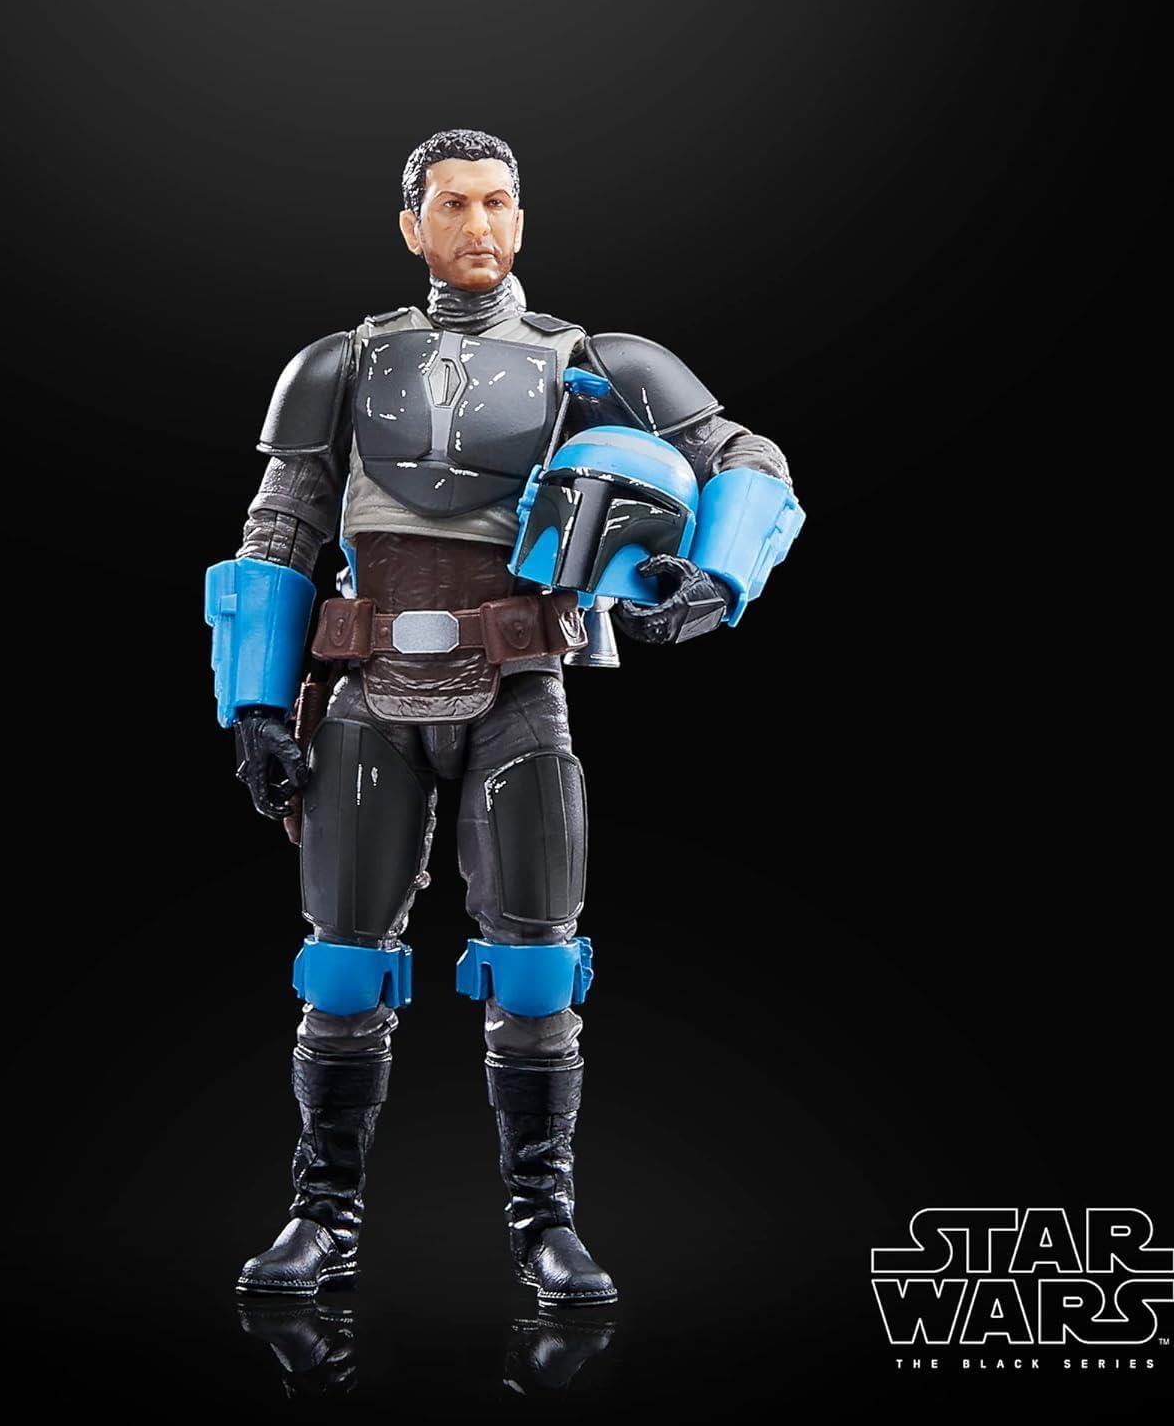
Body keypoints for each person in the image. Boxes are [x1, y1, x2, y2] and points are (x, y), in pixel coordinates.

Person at [206, 129, 801, 1308]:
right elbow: (279, 528)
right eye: (452, 204)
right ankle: (323, 1218)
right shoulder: (340, 363)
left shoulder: (596, 360)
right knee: (340, 966)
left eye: (496, 203)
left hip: (521, 689)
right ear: (411, 225)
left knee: (536, 971)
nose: (477, 225)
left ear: (521, 220)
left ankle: (546, 1222)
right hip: (369, 687)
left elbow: (751, 460)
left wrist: (720, 577)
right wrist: (255, 703)